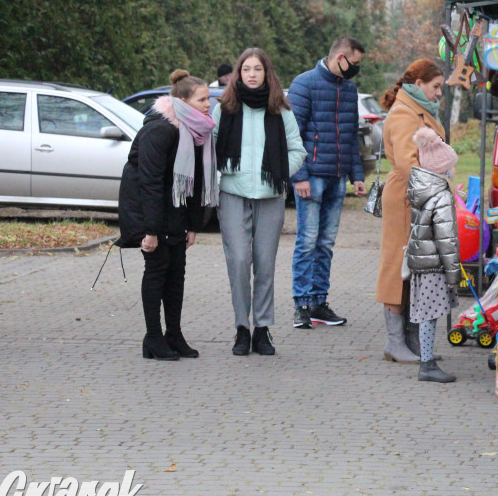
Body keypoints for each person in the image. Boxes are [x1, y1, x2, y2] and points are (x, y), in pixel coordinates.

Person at [118, 69, 219, 360]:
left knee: (176, 275)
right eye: (202, 99)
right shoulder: (159, 130)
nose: (208, 105)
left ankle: (173, 334)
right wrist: (150, 230)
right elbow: (148, 182)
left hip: (176, 213)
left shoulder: (197, 132)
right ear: (184, 102)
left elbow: (196, 182)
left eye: (208, 99)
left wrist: (193, 224)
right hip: (151, 213)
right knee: (157, 272)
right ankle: (152, 337)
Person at [214, 48, 307, 356]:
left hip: (271, 196)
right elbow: (211, 148)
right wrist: (223, 172)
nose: (251, 74)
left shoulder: (281, 109)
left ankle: (262, 329)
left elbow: (298, 150)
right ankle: (242, 327)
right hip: (233, 194)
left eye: (257, 69)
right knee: (239, 260)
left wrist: (280, 172)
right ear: (238, 74)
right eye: (246, 69)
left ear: (267, 73)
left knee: (264, 265)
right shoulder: (224, 109)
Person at [288, 37, 367, 330]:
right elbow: (292, 135)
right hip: (311, 177)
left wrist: (357, 176)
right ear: (341, 57)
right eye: (355, 64)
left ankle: (319, 302)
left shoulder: (349, 89)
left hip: (337, 178)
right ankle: (301, 305)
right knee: (307, 241)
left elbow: (350, 137)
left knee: (326, 243)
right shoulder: (304, 84)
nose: (356, 69)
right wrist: (299, 176)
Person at [374, 59, 448, 364]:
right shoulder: (405, 114)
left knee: (417, 269)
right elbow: (408, 163)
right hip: (408, 199)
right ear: (419, 84)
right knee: (398, 268)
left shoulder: (418, 110)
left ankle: (414, 340)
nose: (439, 93)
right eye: (436, 87)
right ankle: (395, 342)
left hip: (419, 197)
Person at [405, 127, 460, 382]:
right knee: (429, 315)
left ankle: (426, 361)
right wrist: (454, 274)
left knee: (426, 312)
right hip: (434, 266)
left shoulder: (421, 190)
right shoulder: (441, 197)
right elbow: (447, 241)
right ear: (443, 169)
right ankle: (426, 364)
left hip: (421, 262)